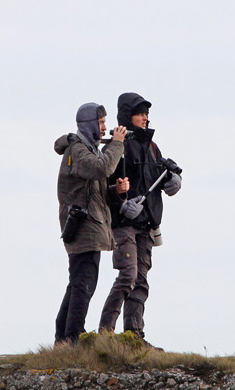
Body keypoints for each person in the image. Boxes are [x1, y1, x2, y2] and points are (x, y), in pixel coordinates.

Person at [98, 92, 182, 345]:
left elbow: (166, 169)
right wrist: (120, 206)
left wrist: (173, 178)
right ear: (127, 116)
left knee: (141, 282)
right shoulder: (115, 146)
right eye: (140, 113)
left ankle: (134, 338)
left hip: (147, 225)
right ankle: (105, 335)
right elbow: (101, 188)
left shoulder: (152, 146)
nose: (145, 118)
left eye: (147, 113)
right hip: (123, 226)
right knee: (128, 277)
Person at [54, 102, 130, 345]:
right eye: (101, 123)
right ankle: (73, 337)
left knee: (78, 283)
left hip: (88, 225)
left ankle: (64, 338)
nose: (105, 128)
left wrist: (115, 191)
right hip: (83, 227)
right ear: (89, 125)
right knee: (83, 285)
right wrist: (117, 144)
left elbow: (92, 192)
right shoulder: (78, 151)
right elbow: (102, 168)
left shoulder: (87, 150)